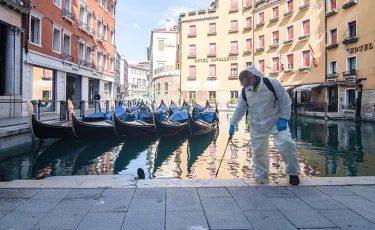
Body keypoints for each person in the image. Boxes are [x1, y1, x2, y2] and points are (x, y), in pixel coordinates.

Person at [229, 66, 300, 185]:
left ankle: (293, 173)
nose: (245, 87)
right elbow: (240, 109)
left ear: (252, 78)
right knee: (259, 152)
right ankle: (261, 176)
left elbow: (285, 101)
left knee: (286, 143)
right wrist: (232, 124)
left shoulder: (272, 83)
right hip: (257, 125)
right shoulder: (245, 92)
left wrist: (284, 118)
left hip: (276, 122)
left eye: (246, 84)